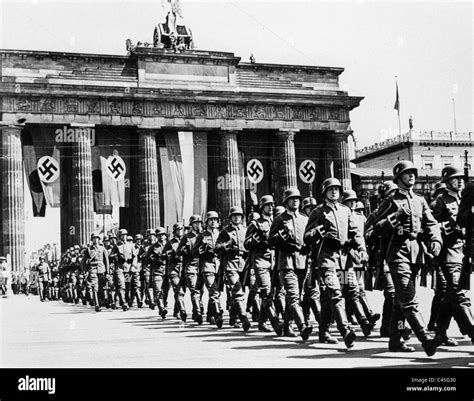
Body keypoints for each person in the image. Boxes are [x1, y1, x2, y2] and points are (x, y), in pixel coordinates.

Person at [369, 160, 443, 356]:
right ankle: (425, 339)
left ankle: (394, 340)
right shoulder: (390, 201)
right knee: (409, 299)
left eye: (413, 173)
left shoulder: (420, 200)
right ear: (398, 177)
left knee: (399, 302)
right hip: (397, 254)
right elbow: (372, 228)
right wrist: (392, 220)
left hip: (416, 254)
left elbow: (431, 224)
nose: (412, 176)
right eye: (407, 173)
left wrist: (435, 240)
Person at [304, 179, 364, 348]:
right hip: (326, 259)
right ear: (325, 192)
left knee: (328, 298)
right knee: (336, 294)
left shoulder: (346, 211)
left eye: (337, 189)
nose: (334, 192)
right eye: (330, 189)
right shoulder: (318, 212)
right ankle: (345, 330)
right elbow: (307, 237)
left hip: (344, 260)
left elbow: (355, 233)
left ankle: (323, 331)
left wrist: (361, 249)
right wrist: (318, 231)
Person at [432, 165, 474, 344]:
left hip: (462, 251)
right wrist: (448, 229)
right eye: (456, 179)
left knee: (450, 295)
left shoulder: (465, 197)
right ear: (447, 181)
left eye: (462, 179)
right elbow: (431, 226)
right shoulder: (440, 201)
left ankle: (440, 332)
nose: (460, 182)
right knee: (459, 293)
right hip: (448, 253)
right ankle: (472, 331)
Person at [269, 188, 313, 342]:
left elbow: (308, 239)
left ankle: (287, 325)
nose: (295, 201)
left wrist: (309, 247)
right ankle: (302, 327)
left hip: (301, 262)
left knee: (295, 296)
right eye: (292, 198)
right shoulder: (280, 219)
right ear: (286, 201)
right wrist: (281, 237)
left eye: (297, 199)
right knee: (294, 296)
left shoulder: (304, 219)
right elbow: (271, 240)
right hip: (286, 262)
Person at [341, 190, 378, 336]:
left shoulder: (360, 218)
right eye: (349, 201)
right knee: (349, 291)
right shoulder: (341, 216)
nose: (352, 204)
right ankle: (355, 316)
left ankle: (367, 315)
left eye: (354, 201)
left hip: (358, 261)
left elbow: (365, 236)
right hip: (344, 261)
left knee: (358, 289)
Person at [244, 195, 283, 335]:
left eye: (272, 205)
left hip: (274, 260)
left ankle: (261, 321)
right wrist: (256, 240)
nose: (271, 207)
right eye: (268, 205)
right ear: (262, 207)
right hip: (260, 260)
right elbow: (246, 244)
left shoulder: (277, 221)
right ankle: (275, 322)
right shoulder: (255, 224)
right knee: (266, 291)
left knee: (273, 293)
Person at [216, 206, 251, 332]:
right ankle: (244, 319)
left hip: (243, 263)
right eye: (234, 215)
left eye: (239, 215)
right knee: (237, 291)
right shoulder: (225, 232)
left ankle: (233, 316)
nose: (237, 217)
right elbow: (217, 248)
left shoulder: (246, 230)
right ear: (230, 218)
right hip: (230, 263)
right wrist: (226, 246)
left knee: (241, 291)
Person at [193, 212, 223, 328]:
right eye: (211, 219)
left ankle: (210, 315)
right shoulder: (202, 235)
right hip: (207, 266)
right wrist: (202, 250)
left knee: (217, 291)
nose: (213, 221)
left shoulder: (221, 234)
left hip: (219, 265)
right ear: (206, 222)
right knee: (213, 290)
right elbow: (194, 252)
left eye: (215, 219)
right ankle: (217, 315)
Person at [177, 215, 204, 324]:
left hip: (202, 266)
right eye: (195, 223)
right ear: (191, 225)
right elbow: (178, 251)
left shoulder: (203, 235)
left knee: (201, 291)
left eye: (199, 223)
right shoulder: (186, 237)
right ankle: (198, 313)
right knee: (194, 290)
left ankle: (195, 311)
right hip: (191, 266)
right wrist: (184, 249)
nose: (198, 225)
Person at [163, 223, 187, 322]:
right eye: (178, 229)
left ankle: (176, 311)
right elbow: (163, 255)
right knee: (178, 289)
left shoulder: (187, 240)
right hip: (174, 268)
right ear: (174, 231)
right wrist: (169, 254)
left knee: (182, 291)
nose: (180, 231)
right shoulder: (170, 243)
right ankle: (182, 311)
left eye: (181, 229)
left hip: (184, 268)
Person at [111, 229, 137, 311]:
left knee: (127, 285)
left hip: (128, 268)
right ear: (119, 236)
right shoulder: (116, 246)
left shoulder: (131, 245)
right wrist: (114, 255)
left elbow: (135, 257)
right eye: (122, 235)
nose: (124, 236)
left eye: (125, 235)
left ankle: (126, 301)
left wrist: (133, 266)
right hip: (119, 267)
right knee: (121, 285)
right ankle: (123, 302)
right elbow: (110, 256)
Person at [82, 233, 109, 312]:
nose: (95, 240)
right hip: (92, 268)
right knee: (95, 286)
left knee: (101, 287)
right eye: (94, 238)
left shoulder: (103, 248)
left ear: (99, 239)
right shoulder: (89, 249)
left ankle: (101, 301)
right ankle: (96, 304)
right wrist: (85, 270)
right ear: (92, 240)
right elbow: (83, 261)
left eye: (97, 238)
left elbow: (106, 261)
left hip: (101, 269)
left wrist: (107, 272)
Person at [146, 227, 169, 318]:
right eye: (159, 235)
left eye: (163, 235)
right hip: (157, 271)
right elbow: (147, 259)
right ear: (157, 237)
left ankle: (163, 303)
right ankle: (161, 308)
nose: (161, 237)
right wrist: (153, 259)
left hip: (167, 271)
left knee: (166, 291)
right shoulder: (152, 247)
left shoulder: (169, 245)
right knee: (158, 290)